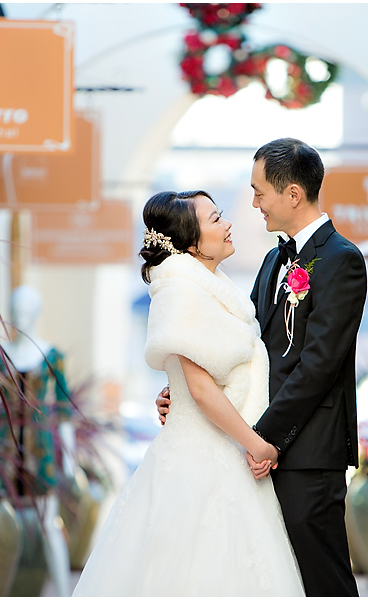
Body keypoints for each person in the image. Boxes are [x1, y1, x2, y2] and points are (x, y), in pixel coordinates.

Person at [157, 138, 367, 596]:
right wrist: (188, 392)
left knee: (323, 580)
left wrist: (262, 439)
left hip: (308, 454)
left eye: (259, 192)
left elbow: (319, 365)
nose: (253, 204)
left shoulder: (342, 261)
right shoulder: (273, 260)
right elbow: (245, 350)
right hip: (261, 451)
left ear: (292, 194)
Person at [72, 190, 305, 596]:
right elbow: (199, 388)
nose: (228, 223)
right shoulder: (180, 289)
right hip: (201, 457)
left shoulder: (212, 286)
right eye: (216, 218)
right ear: (193, 242)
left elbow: (203, 371)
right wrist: (258, 445)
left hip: (224, 452)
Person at [0, 285, 74, 597]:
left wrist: (71, 460)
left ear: (36, 313)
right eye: (15, 312)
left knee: (50, 523)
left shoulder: (52, 356)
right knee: (0, 525)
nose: (19, 318)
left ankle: (64, 593)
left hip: (41, 451)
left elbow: (64, 412)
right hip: (2, 449)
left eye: (25, 311)